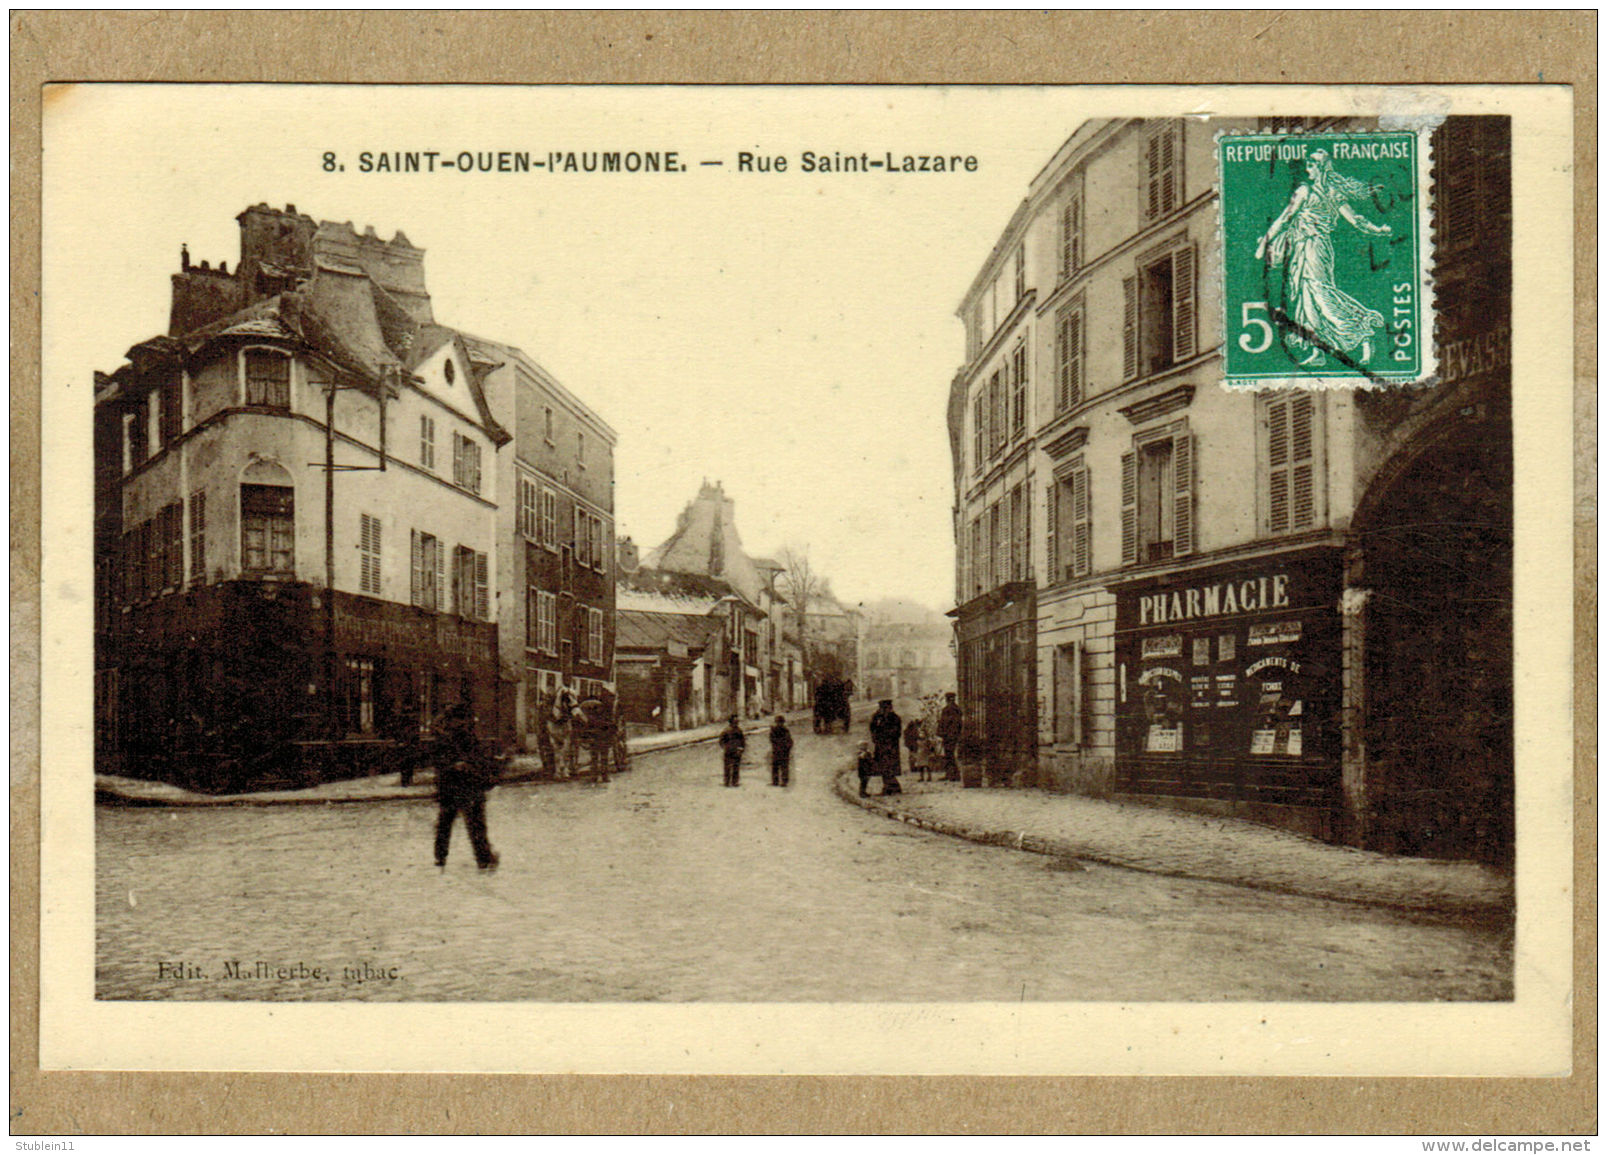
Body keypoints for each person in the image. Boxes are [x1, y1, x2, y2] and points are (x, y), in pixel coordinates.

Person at [1255, 149, 1392, 367]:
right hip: (1305, 249)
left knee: (1320, 293)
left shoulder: (1305, 190)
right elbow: (1356, 220)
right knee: (1305, 297)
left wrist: (1265, 242)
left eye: (1311, 165)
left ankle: (1363, 332)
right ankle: (1318, 352)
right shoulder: (1332, 193)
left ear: (1320, 168)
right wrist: (1377, 229)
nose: (1307, 169)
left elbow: (1285, 218)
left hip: (1313, 247)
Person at [425, 703, 500, 870]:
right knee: (450, 822)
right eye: (459, 720)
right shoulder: (444, 738)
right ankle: (441, 857)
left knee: (473, 824)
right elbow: (438, 761)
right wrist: (453, 765)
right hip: (453, 785)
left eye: (463, 720)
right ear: (452, 720)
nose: (461, 723)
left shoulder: (467, 736)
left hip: (467, 785)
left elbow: (479, 758)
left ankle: (483, 858)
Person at [869, 699, 903, 796]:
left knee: (889, 767)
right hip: (880, 745)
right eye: (882, 708)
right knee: (883, 767)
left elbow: (896, 732)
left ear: (890, 708)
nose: (884, 710)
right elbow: (872, 728)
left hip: (891, 746)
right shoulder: (877, 717)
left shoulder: (895, 718)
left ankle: (891, 787)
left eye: (886, 708)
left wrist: (885, 736)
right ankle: (892, 787)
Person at [548, 688, 576, 779]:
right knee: (556, 749)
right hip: (557, 718)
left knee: (565, 749)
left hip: (566, 721)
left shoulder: (571, 692)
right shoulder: (559, 693)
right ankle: (557, 770)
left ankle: (565, 769)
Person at [937, 692, 963, 781]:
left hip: (948, 736)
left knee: (949, 755)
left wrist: (941, 733)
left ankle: (952, 775)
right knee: (950, 755)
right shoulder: (958, 709)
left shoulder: (947, 709)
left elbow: (943, 723)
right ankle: (952, 774)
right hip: (954, 735)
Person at [533, 690, 557, 777]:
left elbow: (552, 718)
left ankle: (551, 768)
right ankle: (545, 766)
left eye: (547, 698)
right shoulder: (540, 707)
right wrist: (536, 728)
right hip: (541, 729)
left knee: (550, 749)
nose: (545, 700)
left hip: (548, 730)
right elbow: (537, 718)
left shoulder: (552, 709)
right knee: (541, 749)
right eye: (544, 698)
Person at [718, 714, 746, 787]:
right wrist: (725, 747)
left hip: (736, 751)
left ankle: (735, 782)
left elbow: (742, 740)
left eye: (737, 722)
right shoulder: (726, 730)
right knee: (727, 767)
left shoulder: (739, 730)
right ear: (731, 722)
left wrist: (742, 748)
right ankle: (727, 782)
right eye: (735, 721)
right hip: (729, 751)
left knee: (736, 767)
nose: (736, 723)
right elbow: (721, 740)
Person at [769, 714, 794, 787]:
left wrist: (787, 749)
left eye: (780, 722)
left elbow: (789, 741)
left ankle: (783, 781)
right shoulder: (775, 730)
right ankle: (776, 781)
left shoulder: (784, 730)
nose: (778, 724)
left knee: (783, 767)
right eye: (777, 722)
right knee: (776, 766)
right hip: (778, 750)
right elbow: (771, 739)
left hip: (782, 751)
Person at [905, 715, 929, 783]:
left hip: (922, 747)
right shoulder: (918, 730)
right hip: (921, 748)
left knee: (924, 764)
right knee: (923, 764)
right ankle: (924, 776)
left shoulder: (920, 731)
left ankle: (925, 776)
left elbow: (922, 737)